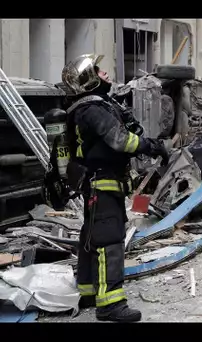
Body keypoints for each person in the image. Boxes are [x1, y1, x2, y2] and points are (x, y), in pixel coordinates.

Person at [61, 54, 169, 322]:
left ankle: (88, 291)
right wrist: (153, 146)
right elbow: (121, 141)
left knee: (90, 238)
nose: (105, 73)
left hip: (95, 182)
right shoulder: (92, 110)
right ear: (88, 80)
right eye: (98, 71)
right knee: (109, 239)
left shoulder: (85, 107)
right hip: (103, 180)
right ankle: (110, 303)